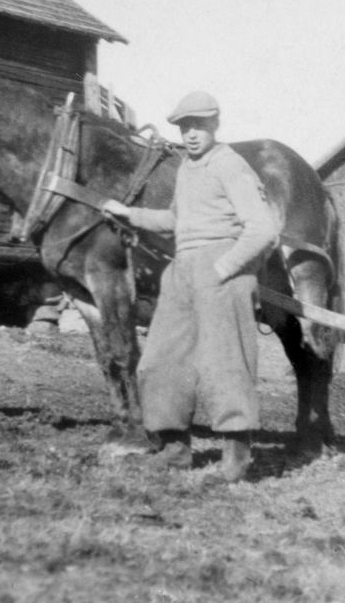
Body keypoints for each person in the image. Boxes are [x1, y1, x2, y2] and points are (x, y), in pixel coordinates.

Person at [101, 91, 278, 482]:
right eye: (184, 127)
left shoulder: (231, 165)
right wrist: (129, 214)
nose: (191, 134)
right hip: (182, 268)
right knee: (161, 358)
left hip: (223, 267)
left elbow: (263, 228)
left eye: (199, 126)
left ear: (215, 125)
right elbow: (176, 221)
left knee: (225, 363)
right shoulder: (187, 169)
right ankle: (174, 451)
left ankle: (235, 462)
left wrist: (225, 267)